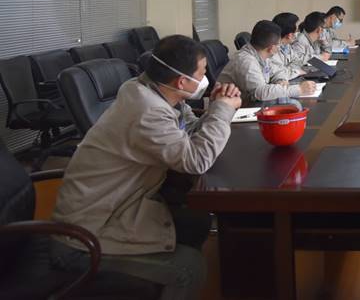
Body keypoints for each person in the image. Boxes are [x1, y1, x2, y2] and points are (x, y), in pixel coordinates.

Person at [50, 35, 242, 299]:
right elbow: (196, 161)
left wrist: (216, 108)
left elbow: (188, 133)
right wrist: (222, 111)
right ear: (182, 82)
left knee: (195, 221)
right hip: (85, 236)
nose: (206, 77)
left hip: (123, 204)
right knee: (188, 268)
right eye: (202, 72)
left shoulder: (153, 90)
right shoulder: (147, 110)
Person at [218, 20, 315, 103]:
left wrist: (280, 80)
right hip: (234, 111)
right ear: (271, 48)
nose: (279, 47)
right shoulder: (246, 61)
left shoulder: (262, 54)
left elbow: (276, 71)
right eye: (278, 45)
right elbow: (260, 92)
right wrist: (299, 89)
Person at [271, 12, 306, 80]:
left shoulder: (286, 45)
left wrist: (289, 70)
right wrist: (296, 72)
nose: (298, 34)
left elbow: (297, 61)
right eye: (296, 31)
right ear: (290, 35)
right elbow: (277, 75)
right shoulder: (272, 49)